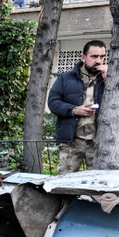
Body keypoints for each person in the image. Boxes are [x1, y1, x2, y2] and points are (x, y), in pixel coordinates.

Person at [48, 40, 108, 174]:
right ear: (83, 57)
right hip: (72, 140)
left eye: (102, 57)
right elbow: (53, 102)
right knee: (65, 183)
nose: (99, 60)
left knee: (100, 183)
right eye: (94, 56)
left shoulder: (108, 79)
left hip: (98, 142)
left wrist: (108, 79)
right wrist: (74, 110)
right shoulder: (65, 78)